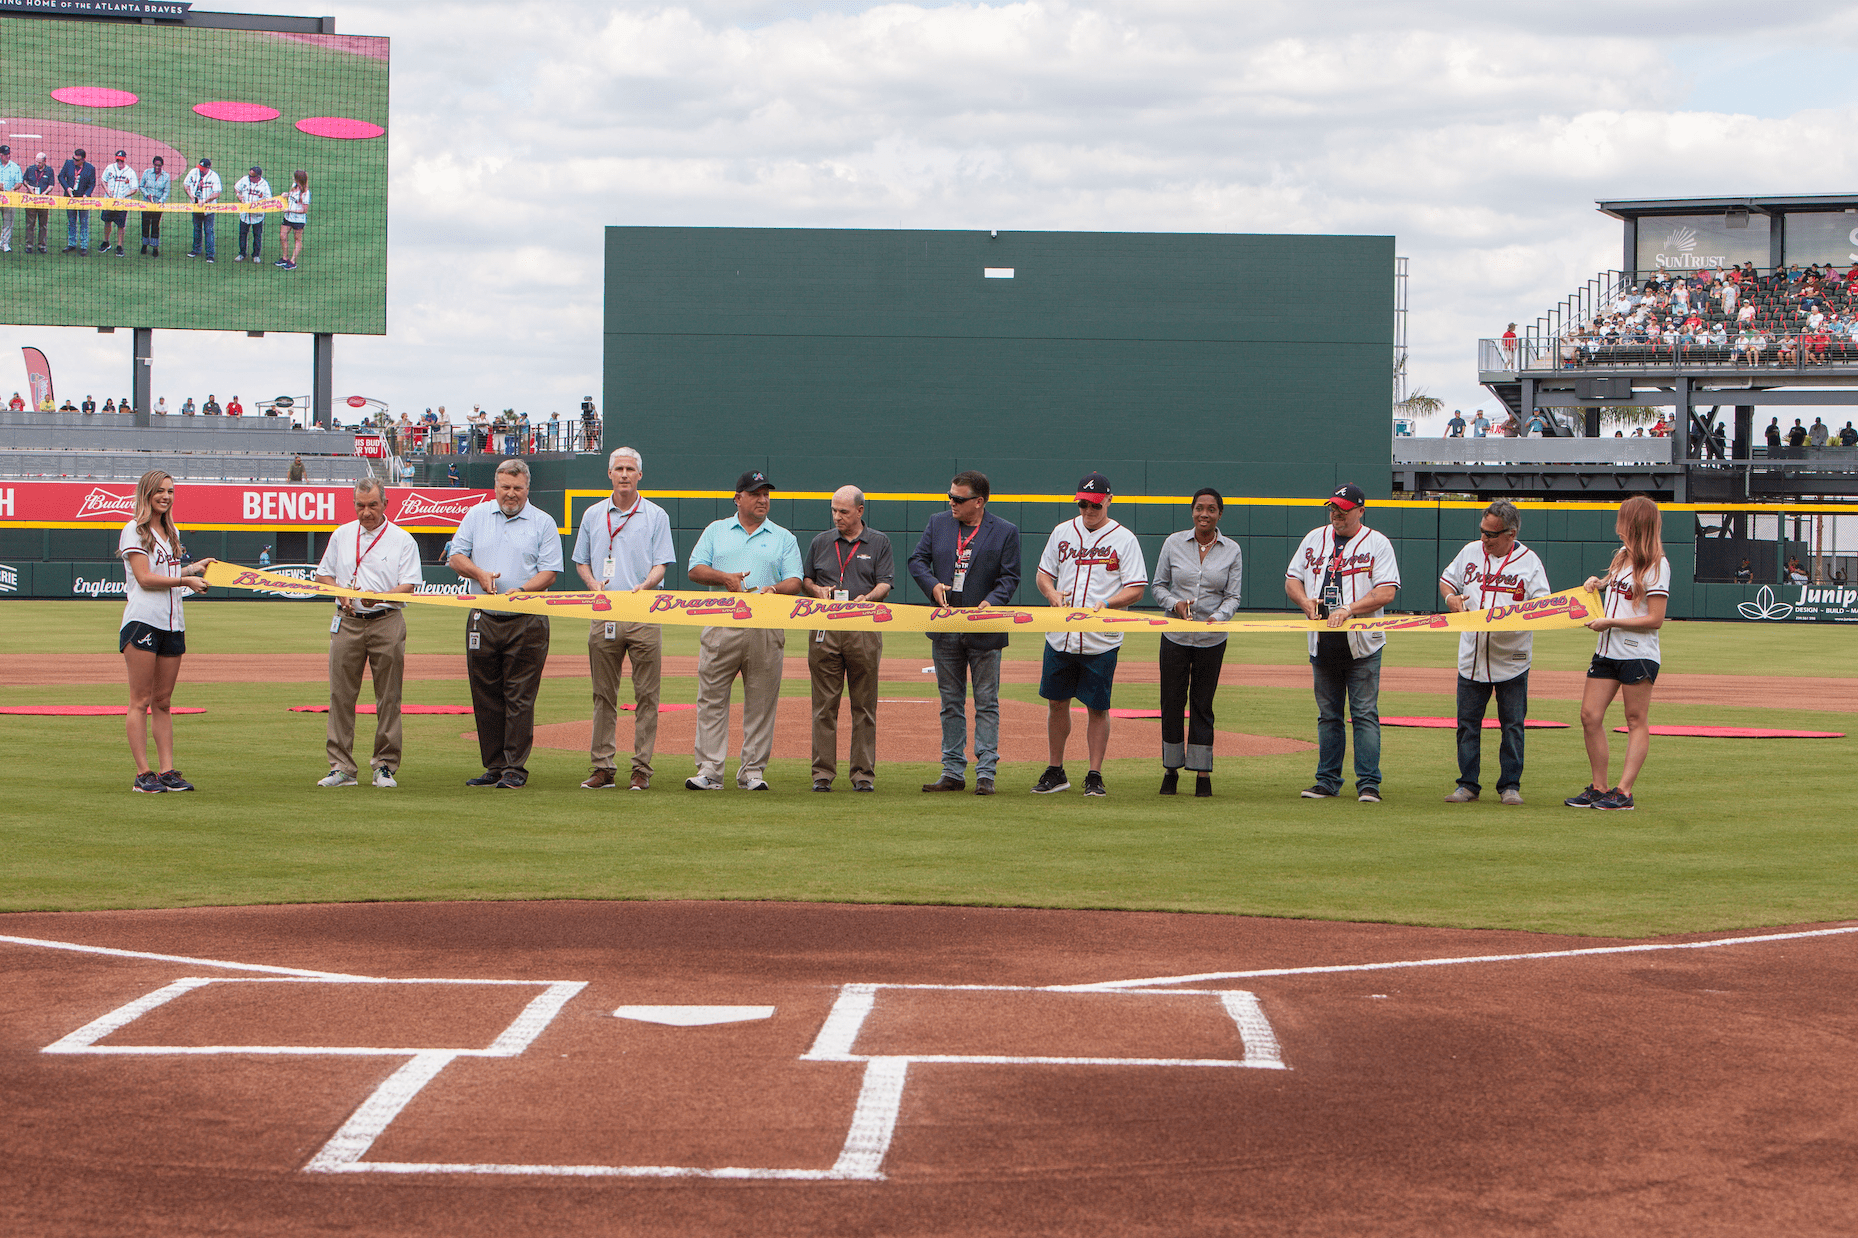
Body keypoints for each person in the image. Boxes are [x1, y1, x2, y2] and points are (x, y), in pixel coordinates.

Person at [682, 470, 803, 791]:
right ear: (738, 499)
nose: (763, 499)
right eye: (755, 493)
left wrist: (775, 590)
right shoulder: (716, 530)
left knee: (762, 702)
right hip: (721, 625)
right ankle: (709, 770)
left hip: (765, 628)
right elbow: (694, 568)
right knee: (711, 699)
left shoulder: (783, 536)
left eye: (766, 494)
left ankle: (752, 772)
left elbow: (796, 579)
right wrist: (725, 579)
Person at [447, 458, 562, 789]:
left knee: (519, 694)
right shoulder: (476, 515)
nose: (510, 494)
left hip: (527, 618)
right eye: (505, 487)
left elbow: (550, 571)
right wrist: (479, 573)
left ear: (528, 489)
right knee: (485, 694)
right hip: (483, 616)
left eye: (517, 488)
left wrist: (523, 590)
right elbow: (456, 557)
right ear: (495, 487)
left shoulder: (543, 522)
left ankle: (515, 767)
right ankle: (494, 765)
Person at [1032, 472, 1149, 797]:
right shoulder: (1062, 532)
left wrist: (1108, 603)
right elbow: (1043, 575)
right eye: (1083, 504)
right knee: (1057, 703)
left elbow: (1137, 588)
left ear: (1108, 500)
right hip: (1061, 635)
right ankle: (1056, 770)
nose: (1088, 510)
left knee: (1097, 707)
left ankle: (1094, 774)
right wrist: (1052, 595)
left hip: (1101, 639)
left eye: (1094, 504)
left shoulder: (1124, 539)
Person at [1285, 483, 1401, 803]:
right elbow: (1292, 579)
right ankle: (1327, 780)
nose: (1336, 513)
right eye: (1333, 507)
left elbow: (1387, 591)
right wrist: (1305, 602)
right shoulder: (1314, 538)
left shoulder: (1377, 543)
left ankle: (1368, 784)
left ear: (1360, 511)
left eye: (1344, 509)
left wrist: (1349, 609)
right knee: (1329, 716)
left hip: (1362, 643)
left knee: (1363, 714)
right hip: (1322, 641)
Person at [908, 470, 1021, 795]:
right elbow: (917, 560)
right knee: (950, 703)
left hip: (985, 630)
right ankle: (952, 770)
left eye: (959, 499)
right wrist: (932, 586)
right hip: (945, 628)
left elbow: (1010, 577)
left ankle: (986, 773)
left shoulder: (1005, 531)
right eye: (950, 497)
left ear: (979, 501)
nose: (952, 503)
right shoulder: (938, 523)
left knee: (986, 703)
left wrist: (990, 603)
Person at [572, 447, 676, 791]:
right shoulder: (592, 514)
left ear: (640, 475)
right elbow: (582, 561)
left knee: (647, 696)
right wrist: (592, 584)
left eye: (631, 469)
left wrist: (648, 583)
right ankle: (602, 766)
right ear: (609, 473)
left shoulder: (656, 515)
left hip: (643, 611)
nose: (625, 474)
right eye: (619, 468)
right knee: (603, 694)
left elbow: (662, 563)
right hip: (604, 613)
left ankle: (641, 768)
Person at [312, 478, 423, 788]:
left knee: (388, 696)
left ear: (385, 504)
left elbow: (409, 585)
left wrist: (382, 595)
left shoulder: (402, 539)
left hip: (386, 618)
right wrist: (340, 592)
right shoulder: (342, 535)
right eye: (360, 506)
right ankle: (341, 767)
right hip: (347, 620)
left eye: (372, 505)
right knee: (340, 695)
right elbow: (324, 574)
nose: (366, 512)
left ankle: (384, 765)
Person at [1438, 502, 1550, 806]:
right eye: (1482, 532)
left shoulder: (1529, 562)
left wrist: (1512, 616)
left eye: (1491, 534)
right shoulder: (1470, 552)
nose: (1484, 539)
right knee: (1466, 725)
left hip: (1511, 658)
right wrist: (1451, 598)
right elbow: (1447, 580)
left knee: (1512, 725)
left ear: (1510, 534)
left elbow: (1542, 606)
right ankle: (1468, 784)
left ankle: (1510, 785)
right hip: (1472, 656)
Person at [1567, 497, 1668, 812]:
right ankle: (1600, 787)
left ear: (1635, 523)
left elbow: (1656, 619)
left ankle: (1624, 792)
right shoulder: (1623, 556)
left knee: (1635, 719)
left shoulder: (1656, 563)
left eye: (1623, 518)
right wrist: (1597, 583)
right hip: (1607, 650)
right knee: (1589, 715)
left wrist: (1610, 621)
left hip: (1638, 653)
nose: (1617, 523)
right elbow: (1615, 589)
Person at [118, 470, 215, 793]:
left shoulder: (170, 530)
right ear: (146, 493)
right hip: (143, 620)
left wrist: (191, 568)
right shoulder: (134, 529)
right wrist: (185, 580)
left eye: (170, 491)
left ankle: (167, 770)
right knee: (140, 699)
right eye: (159, 490)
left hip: (173, 622)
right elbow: (144, 578)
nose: (166, 496)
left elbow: (165, 571)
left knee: (163, 701)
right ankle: (143, 773)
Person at [1150, 488, 1242, 797]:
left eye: (1211, 509)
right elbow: (1158, 586)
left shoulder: (1232, 550)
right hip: (1175, 635)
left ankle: (1203, 773)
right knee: (1172, 702)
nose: (1204, 514)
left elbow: (1233, 597)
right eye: (1199, 508)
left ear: (1219, 514)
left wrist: (1219, 617)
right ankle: (1171, 770)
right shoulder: (1173, 543)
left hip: (1211, 639)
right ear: (1192, 511)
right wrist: (1175, 603)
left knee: (1203, 704)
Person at [804, 485, 894, 793]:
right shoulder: (820, 542)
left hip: (863, 629)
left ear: (860, 511)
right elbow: (807, 580)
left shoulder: (879, 542)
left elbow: (885, 583)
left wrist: (867, 598)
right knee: (824, 706)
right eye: (833, 510)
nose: (837, 517)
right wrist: (817, 591)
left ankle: (862, 775)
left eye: (843, 511)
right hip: (824, 630)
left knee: (864, 706)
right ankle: (822, 774)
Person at [58, 148, 96, 255]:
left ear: (83, 159)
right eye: (73, 158)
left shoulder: (90, 168)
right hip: (70, 198)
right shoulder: (68, 164)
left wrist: (86, 194)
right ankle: (72, 243)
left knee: (84, 222)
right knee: (71, 221)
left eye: (77, 160)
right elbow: (60, 176)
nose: (74, 161)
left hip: (83, 199)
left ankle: (84, 245)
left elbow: (92, 184)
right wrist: (67, 188)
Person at [98, 150, 136, 256]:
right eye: (118, 160)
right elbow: (103, 180)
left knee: (120, 225)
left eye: (121, 160)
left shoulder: (130, 172)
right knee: (107, 222)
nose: (119, 162)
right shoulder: (110, 168)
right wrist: (107, 190)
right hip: (109, 201)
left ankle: (119, 246)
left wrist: (126, 195)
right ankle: (106, 242)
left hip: (122, 203)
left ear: (124, 159)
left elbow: (134, 188)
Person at [184, 157, 221, 261]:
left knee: (209, 231)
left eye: (203, 168)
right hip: (195, 207)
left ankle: (210, 255)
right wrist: (191, 196)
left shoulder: (214, 176)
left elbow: (217, 192)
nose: (200, 169)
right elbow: (186, 185)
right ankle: (196, 249)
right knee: (197, 229)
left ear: (208, 168)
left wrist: (205, 201)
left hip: (208, 209)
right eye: (200, 167)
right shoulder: (193, 172)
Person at [233, 165, 270, 263]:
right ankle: (242, 253)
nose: (249, 177)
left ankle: (256, 255)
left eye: (252, 176)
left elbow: (268, 200)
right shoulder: (245, 180)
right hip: (245, 215)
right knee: (242, 235)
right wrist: (238, 195)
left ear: (258, 177)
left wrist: (258, 206)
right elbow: (236, 187)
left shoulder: (264, 185)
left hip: (257, 216)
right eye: (249, 175)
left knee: (257, 235)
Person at [22, 151, 55, 253]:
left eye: (39, 162)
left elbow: (51, 185)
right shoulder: (30, 169)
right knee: (30, 224)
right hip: (31, 200)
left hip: (43, 201)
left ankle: (42, 245)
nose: (37, 164)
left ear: (45, 161)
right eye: (36, 161)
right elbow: (24, 180)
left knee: (43, 224)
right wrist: (29, 187)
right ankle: (29, 245)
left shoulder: (49, 170)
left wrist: (44, 193)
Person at [138, 155, 169, 257]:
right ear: (153, 165)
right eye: (155, 165)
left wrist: (160, 201)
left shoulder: (166, 176)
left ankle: (155, 247)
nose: (157, 167)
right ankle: (145, 244)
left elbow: (166, 191)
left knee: (155, 225)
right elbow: (141, 186)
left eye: (159, 165)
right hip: (147, 203)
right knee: (145, 224)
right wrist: (147, 195)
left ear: (162, 165)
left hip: (158, 204)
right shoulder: (147, 173)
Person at [277, 169, 308, 270]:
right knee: (282, 236)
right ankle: (285, 258)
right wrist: (287, 194)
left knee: (297, 239)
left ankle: (293, 261)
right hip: (288, 218)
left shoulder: (306, 193)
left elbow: (304, 210)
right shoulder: (294, 186)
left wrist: (290, 209)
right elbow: (293, 197)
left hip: (298, 220)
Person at [0, 144, 19, 254]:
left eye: (8, 154)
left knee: (8, 221)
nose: (8, 156)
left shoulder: (15, 167)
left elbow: (19, 182)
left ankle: (4, 243)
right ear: (0, 155)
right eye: (5, 154)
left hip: (9, 198)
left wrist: (14, 187)